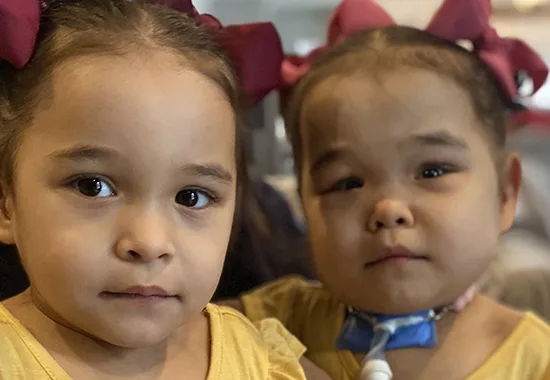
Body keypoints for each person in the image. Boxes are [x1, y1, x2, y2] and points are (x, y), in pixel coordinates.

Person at [227, 0, 550, 379]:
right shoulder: (264, 323)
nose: (388, 209)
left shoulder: (536, 361)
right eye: (347, 183)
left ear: (505, 194)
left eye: (431, 171)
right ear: (304, 204)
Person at [0, 0, 309, 378]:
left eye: (191, 196)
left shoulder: (263, 361)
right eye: (93, 187)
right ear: (5, 202)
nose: (149, 243)